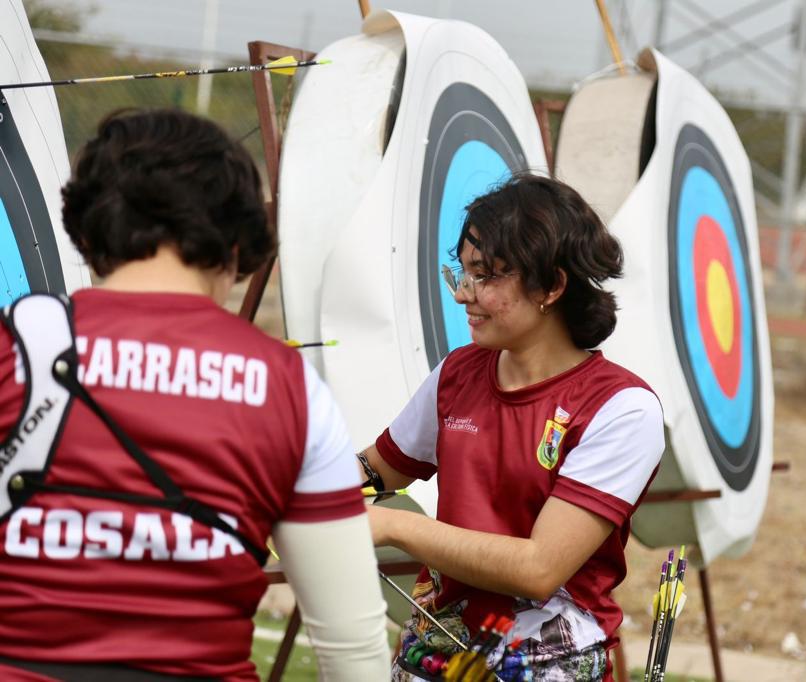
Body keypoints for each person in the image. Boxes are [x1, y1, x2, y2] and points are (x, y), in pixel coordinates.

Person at [0, 109, 390, 681]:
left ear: (85, 230)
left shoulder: (12, 343)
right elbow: (354, 650)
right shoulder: (289, 387)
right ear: (240, 242)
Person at [362, 174, 665, 681]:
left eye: (486, 276)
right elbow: (376, 471)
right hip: (439, 650)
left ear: (551, 285)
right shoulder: (457, 374)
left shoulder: (622, 407)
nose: (463, 294)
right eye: (462, 272)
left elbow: (538, 568)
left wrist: (393, 526)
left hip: (544, 661)